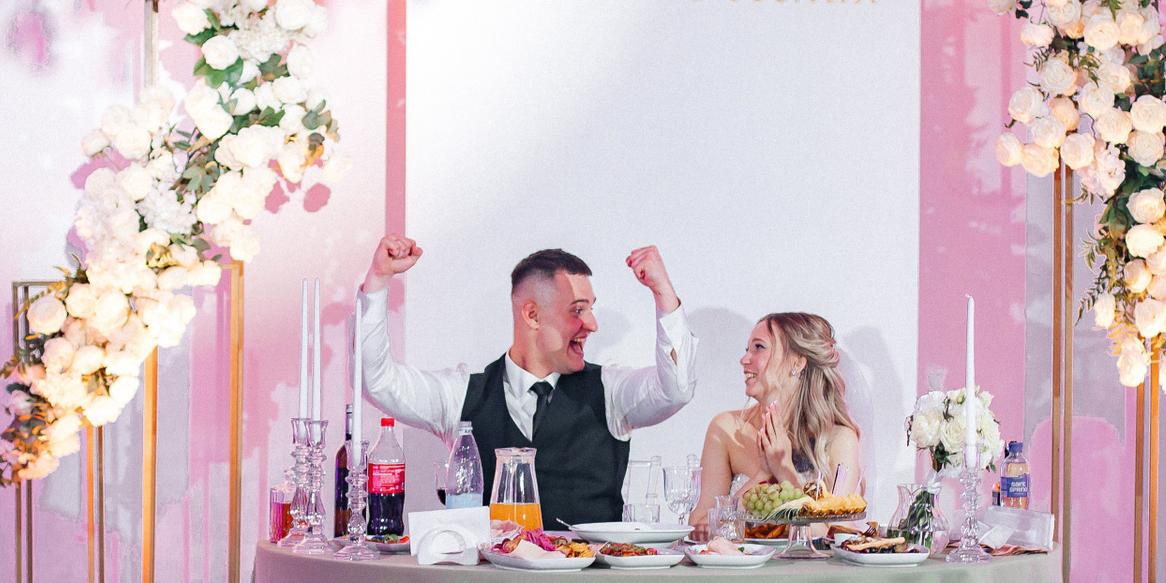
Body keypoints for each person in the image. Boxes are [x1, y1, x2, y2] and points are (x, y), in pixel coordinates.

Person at [356, 234, 697, 529]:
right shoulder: (460, 394)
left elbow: (676, 389)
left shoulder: (611, 391)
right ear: (532, 315)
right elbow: (379, 382)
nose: (592, 325)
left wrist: (663, 293)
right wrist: (379, 280)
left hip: (590, 581)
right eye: (577, 310)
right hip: (493, 582)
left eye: (591, 309)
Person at [689, 312, 861, 531]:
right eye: (747, 349)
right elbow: (698, 528)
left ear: (796, 362)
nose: (744, 359)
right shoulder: (726, 429)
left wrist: (784, 471)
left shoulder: (838, 439)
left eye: (759, 347)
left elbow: (834, 537)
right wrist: (762, 475)